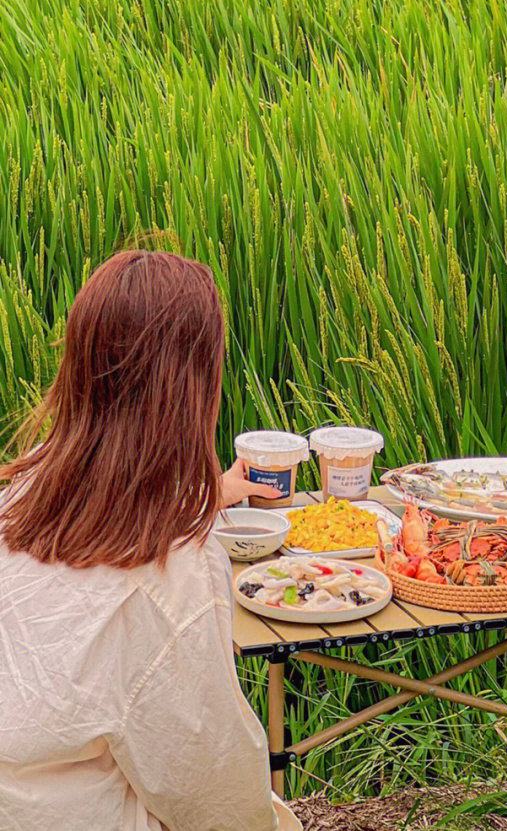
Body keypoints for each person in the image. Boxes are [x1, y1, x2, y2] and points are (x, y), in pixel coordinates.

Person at [0, 249, 301, 831]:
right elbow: (215, 797)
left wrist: (210, 491)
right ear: (194, 388)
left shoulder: (20, 496)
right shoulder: (171, 572)